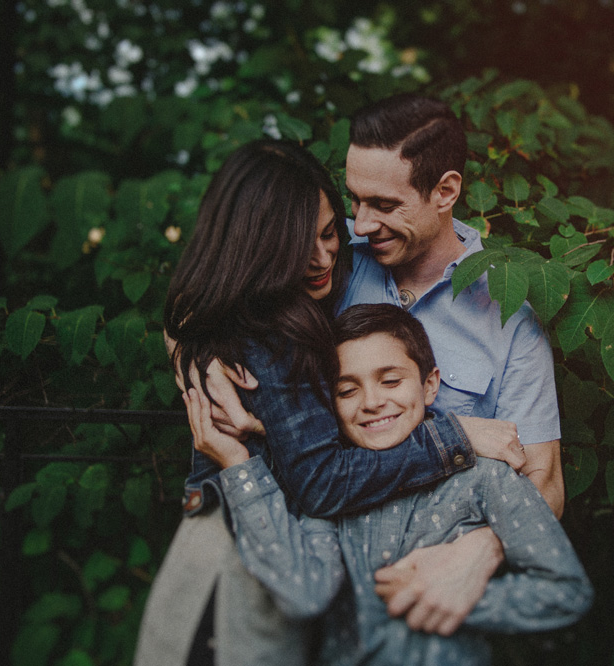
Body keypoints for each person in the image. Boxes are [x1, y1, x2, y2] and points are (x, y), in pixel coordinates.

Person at [133, 139, 523, 666]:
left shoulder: (292, 304)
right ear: (256, 248)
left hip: (285, 571)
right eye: (297, 248)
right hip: (238, 583)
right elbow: (322, 482)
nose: (321, 259)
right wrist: (454, 437)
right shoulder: (272, 340)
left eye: (328, 233)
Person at [201, 93, 564, 634]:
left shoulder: (509, 318)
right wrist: (192, 352)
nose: (362, 223)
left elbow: (547, 480)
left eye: (385, 205)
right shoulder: (327, 251)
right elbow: (219, 281)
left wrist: (481, 551)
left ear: (445, 191)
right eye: (354, 200)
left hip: (415, 594)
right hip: (296, 571)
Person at [184, 303, 591, 666]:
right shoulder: (329, 486)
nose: (372, 401)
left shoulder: (485, 476)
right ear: (329, 404)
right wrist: (239, 466)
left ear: (429, 385)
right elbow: (304, 592)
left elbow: (565, 589)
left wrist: (457, 597)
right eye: (347, 389)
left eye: (391, 381)